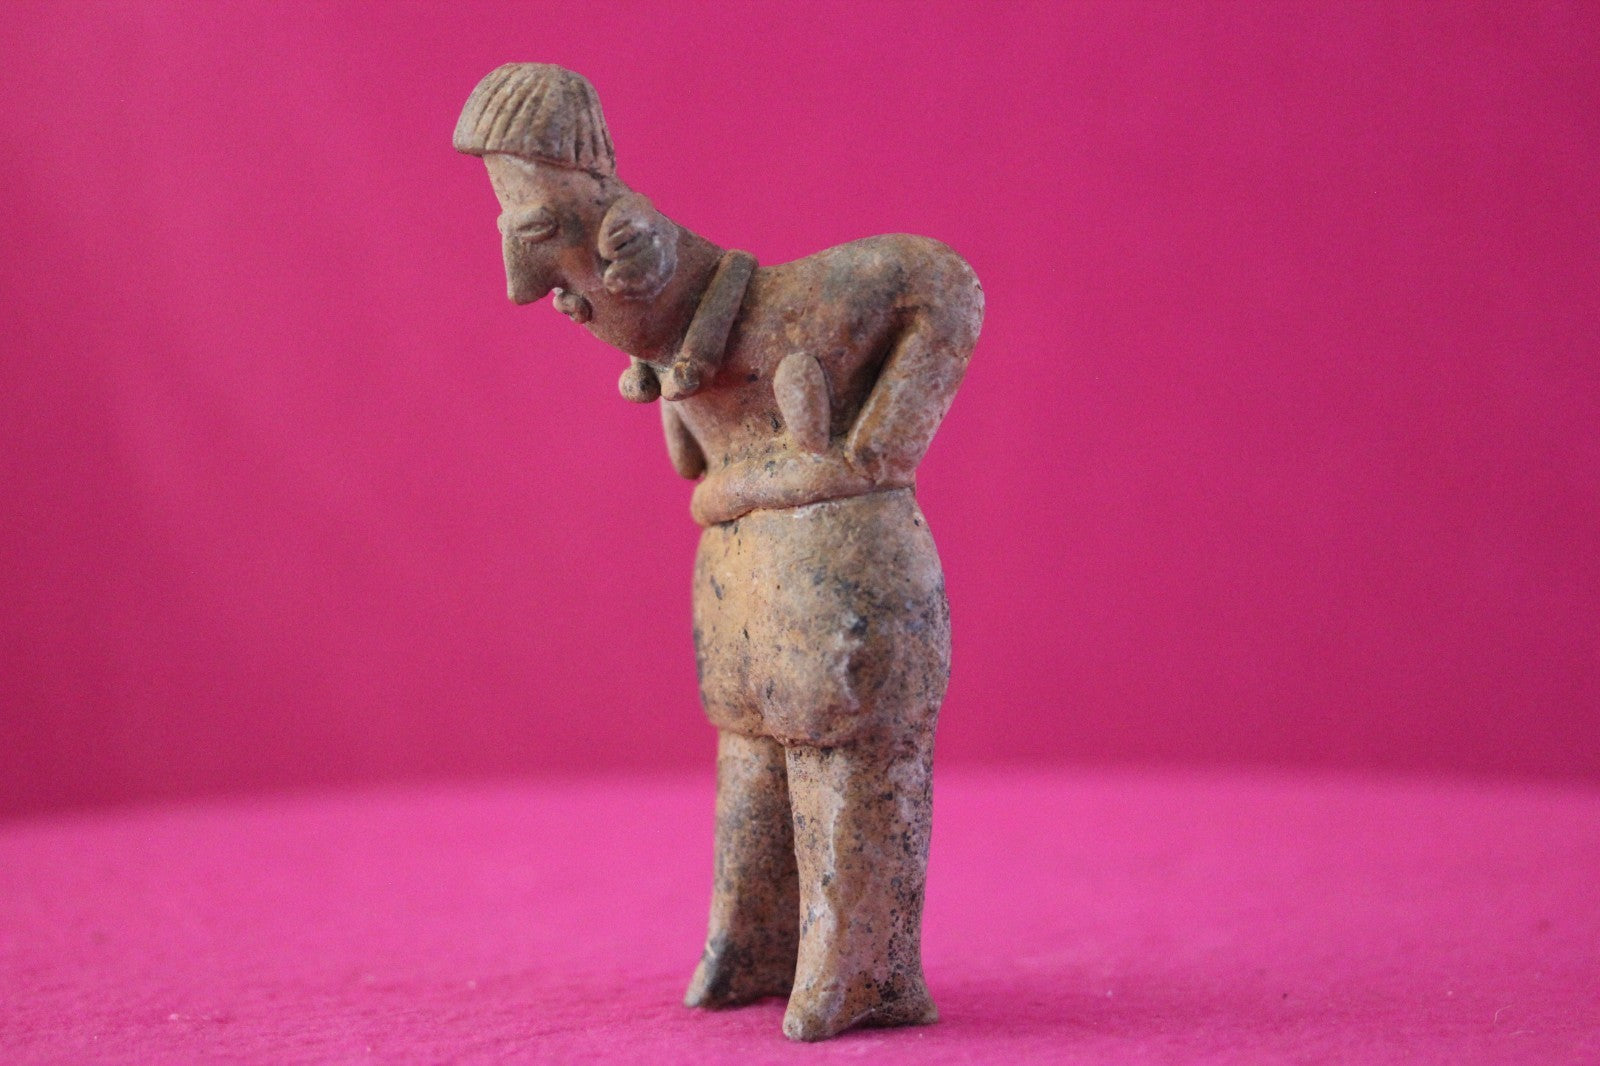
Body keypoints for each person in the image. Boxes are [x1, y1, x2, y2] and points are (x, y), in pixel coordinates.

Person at [454, 63, 982, 1042]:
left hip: (833, 555)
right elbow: (687, 427)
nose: (535, 293)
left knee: (841, 751)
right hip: (748, 559)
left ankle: (859, 973)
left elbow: (942, 281)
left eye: (539, 241)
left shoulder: (752, 283)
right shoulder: (682, 353)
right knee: (751, 754)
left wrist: (876, 451)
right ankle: (756, 949)